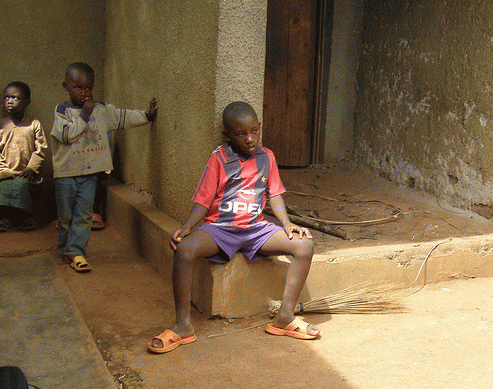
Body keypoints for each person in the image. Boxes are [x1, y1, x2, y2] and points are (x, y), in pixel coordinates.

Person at [148, 101, 320, 354]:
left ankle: (285, 316)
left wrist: (286, 224)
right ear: (227, 135)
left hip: (256, 229)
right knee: (184, 250)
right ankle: (183, 324)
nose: (249, 138)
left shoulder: (267, 157)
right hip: (220, 229)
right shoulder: (218, 158)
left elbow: (274, 195)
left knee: (305, 245)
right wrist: (186, 227)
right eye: (241, 133)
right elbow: (203, 201)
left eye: (254, 131)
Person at [51, 62, 157, 273]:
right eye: (78, 87)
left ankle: (76, 251)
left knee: (83, 214)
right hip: (66, 174)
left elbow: (123, 117)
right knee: (65, 216)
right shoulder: (62, 111)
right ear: (66, 86)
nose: (84, 93)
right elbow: (66, 135)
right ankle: (65, 247)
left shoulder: (101, 110)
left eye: (88, 88)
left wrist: (147, 115)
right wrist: (84, 117)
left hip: (89, 174)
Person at [0, 81, 47, 232]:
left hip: (27, 173)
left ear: (26, 103)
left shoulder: (33, 124)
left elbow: (41, 148)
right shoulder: (1, 124)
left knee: (22, 186)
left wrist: (32, 167)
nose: (9, 101)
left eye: (15, 98)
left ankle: (26, 217)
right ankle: (4, 218)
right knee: (2, 186)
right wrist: (1, 169)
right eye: (6, 97)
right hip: (6, 172)